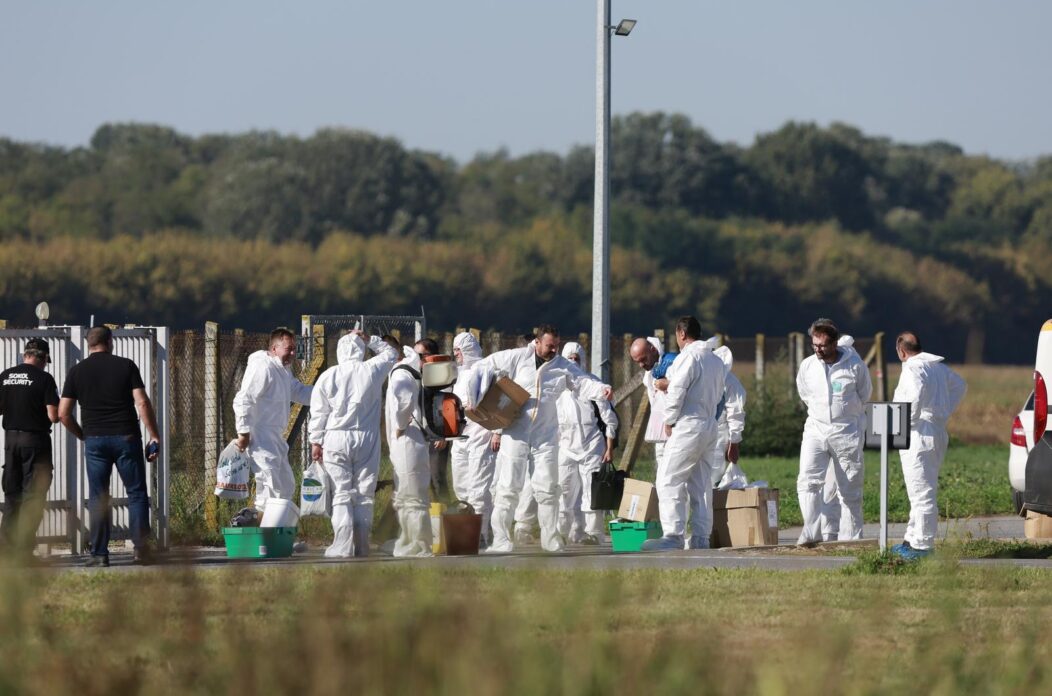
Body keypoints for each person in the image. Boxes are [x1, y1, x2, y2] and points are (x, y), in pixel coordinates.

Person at [475, 325, 612, 553]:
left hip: (545, 436)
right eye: (550, 345)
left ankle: (550, 540)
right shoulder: (518, 358)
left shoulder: (561, 366)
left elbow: (583, 381)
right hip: (516, 432)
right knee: (508, 487)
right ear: (537, 342)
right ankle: (500, 539)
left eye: (557, 345)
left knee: (548, 488)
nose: (554, 350)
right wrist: (476, 396)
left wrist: (601, 389)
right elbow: (485, 366)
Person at [58, 326, 161, 566]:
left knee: (98, 497)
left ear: (88, 344)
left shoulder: (76, 371)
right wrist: (154, 435)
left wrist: (83, 435)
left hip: (95, 439)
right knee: (136, 493)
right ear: (110, 341)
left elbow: (63, 414)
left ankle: (99, 554)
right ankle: (140, 550)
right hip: (126, 437)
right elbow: (142, 403)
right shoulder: (126, 366)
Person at [307, 330, 397, 558]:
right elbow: (391, 353)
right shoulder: (371, 369)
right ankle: (362, 545)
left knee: (341, 492)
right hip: (367, 437)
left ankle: (342, 546)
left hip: (335, 437)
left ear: (340, 350)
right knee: (364, 493)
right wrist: (370, 339)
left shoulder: (328, 375)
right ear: (361, 350)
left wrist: (316, 441)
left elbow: (319, 412)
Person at [642, 317, 726, 551]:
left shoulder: (688, 357)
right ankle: (700, 538)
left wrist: (669, 419)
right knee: (701, 484)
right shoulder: (715, 359)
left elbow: (677, 390)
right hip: (709, 424)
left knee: (668, 478)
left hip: (688, 424)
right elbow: (720, 395)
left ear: (681, 333)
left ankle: (673, 536)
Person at [795, 319, 872, 546]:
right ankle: (811, 532)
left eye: (823, 345)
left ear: (835, 343)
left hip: (845, 431)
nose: (818, 349)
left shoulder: (854, 365)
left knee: (849, 488)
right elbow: (805, 394)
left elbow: (864, 395)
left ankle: (851, 539)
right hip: (815, 429)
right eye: (814, 345)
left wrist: (844, 414)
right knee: (808, 481)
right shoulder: (808, 366)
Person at [890, 331, 967, 560]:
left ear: (901, 351)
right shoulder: (937, 367)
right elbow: (960, 385)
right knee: (920, 490)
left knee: (921, 492)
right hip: (936, 430)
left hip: (919, 432)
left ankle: (923, 546)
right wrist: (944, 411)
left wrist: (908, 422)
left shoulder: (913, 368)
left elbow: (915, 395)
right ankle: (911, 539)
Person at [232, 327, 313, 517]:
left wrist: (327, 393)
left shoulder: (282, 369)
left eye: (294, 349)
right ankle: (262, 530)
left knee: (285, 485)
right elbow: (243, 399)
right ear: (274, 348)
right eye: (288, 349)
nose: (292, 354)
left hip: (275, 438)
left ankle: (277, 529)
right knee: (269, 485)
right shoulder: (263, 367)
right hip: (260, 437)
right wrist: (243, 433)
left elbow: (297, 390)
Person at [0, 338, 59, 559]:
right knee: (32, 496)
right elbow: (53, 416)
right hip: (35, 441)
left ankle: (5, 550)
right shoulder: (44, 378)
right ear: (43, 358)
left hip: (11, 441)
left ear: (25, 354)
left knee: (12, 495)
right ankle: (23, 551)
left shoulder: (5, 376)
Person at [556, 342, 618, 544]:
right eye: (569, 358)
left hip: (591, 444)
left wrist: (609, 446)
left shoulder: (593, 384)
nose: (573, 362)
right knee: (564, 490)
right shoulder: (557, 386)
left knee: (592, 490)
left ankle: (594, 533)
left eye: (577, 358)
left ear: (583, 360)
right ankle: (562, 533)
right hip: (565, 446)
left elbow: (609, 418)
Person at [450, 332, 497, 546]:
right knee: (461, 486)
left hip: (480, 434)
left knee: (478, 488)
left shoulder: (485, 369)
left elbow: (497, 402)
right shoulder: (459, 375)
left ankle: (481, 535)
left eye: (458, 350)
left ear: (467, 349)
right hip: (460, 436)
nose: (456, 354)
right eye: (454, 350)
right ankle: (467, 532)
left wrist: (497, 432)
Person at [386, 345, 433, 556]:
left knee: (412, 495)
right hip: (410, 438)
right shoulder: (407, 372)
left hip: (407, 438)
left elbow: (404, 400)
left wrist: (400, 425)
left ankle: (419, 545)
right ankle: (408, 540)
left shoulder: (402, 373)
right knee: (407, 494)